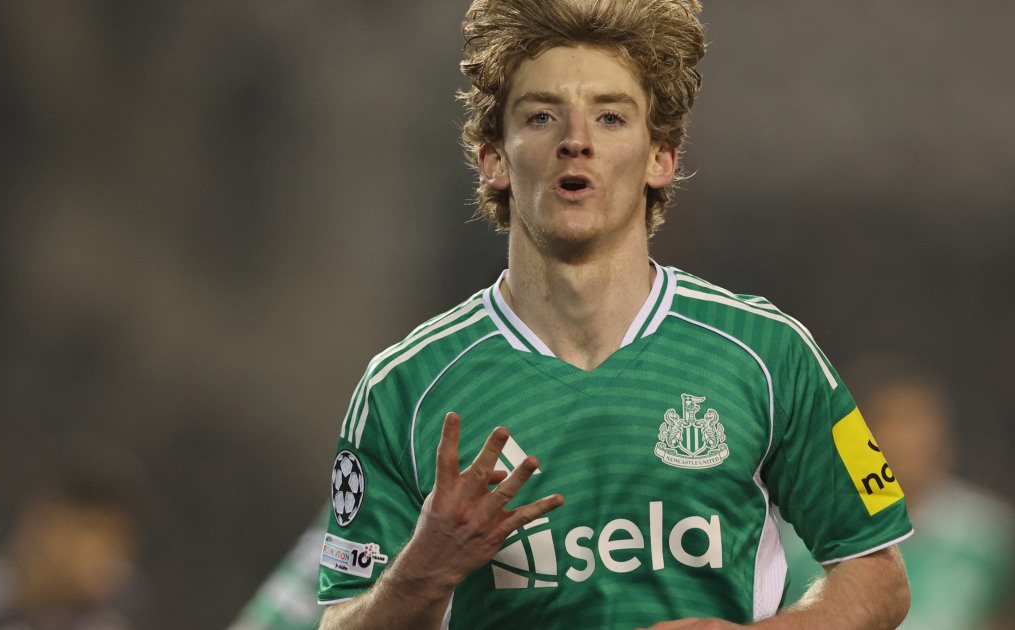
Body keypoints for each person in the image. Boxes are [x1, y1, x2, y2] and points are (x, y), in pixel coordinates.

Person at [298, 0, 916, 627]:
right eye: (541, 116)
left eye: (611, 117)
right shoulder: (403, 387)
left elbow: (880, 576)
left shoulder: (768, 353)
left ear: (660, 158)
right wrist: (422, 571)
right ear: (494, 159)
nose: (576, 140)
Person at [779, 358, 1015, 630]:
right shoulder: (799, 541)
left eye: (917, 424)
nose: (906, 440)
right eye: (891, 422)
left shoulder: (988, 536)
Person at [0, 443, 146, 630]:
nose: (104, 552)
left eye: (118, 535)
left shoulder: (114, 618)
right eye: (89, 527)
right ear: (40, 519)